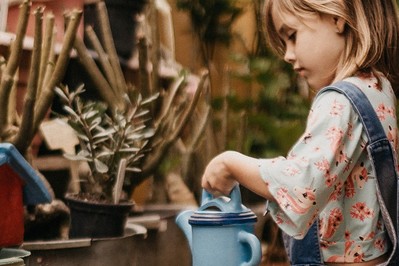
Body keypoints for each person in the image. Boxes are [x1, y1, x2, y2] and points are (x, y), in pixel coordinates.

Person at [201, 0, 399, 265]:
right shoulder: (378, 88)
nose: (288, 54)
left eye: (292, 36)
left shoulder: (339, 101)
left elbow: (301, 187)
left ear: (337, 17)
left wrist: (230, 164)